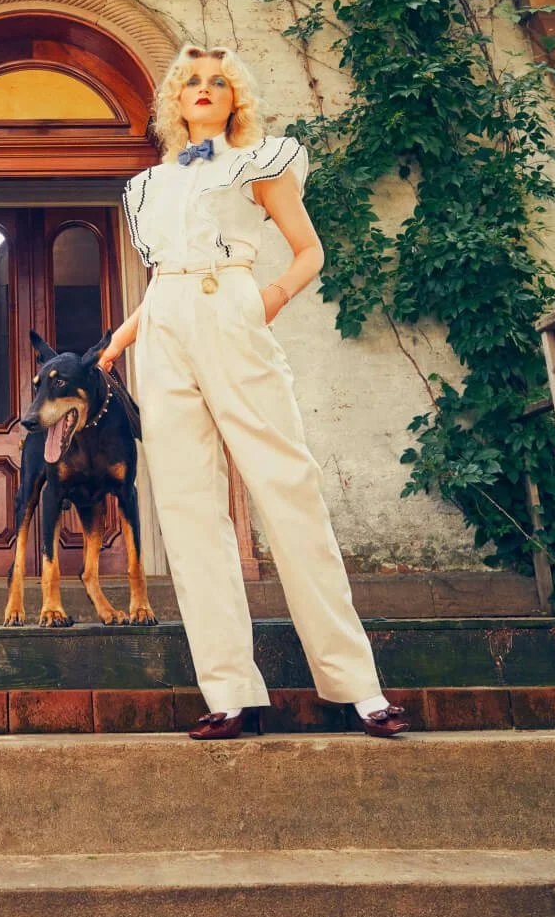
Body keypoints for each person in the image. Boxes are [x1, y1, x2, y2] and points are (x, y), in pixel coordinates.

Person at [98, 43, 407, 741]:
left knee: (287, 486)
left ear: (235, 96)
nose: (204, 88)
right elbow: (164, 279)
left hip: (231, 306)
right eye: (191, 81)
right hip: (165, 325)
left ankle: (358, 687)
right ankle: (230, 690)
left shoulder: (261, 161)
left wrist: (267, 299)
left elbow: (309, 250)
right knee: (187, 510)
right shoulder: (151, 185)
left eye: (218, 80)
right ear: (175, 101)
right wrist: (121, 338)